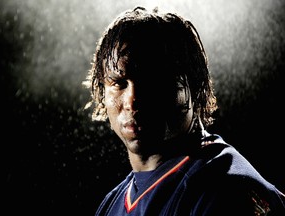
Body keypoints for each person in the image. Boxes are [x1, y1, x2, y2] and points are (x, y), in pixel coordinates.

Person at [83, 6, 285, 216]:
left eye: (151, 82)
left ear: (196, 87)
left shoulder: (226, 191)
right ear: (101, 91)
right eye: (119, 83)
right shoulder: (111, 204)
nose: (132, 101)